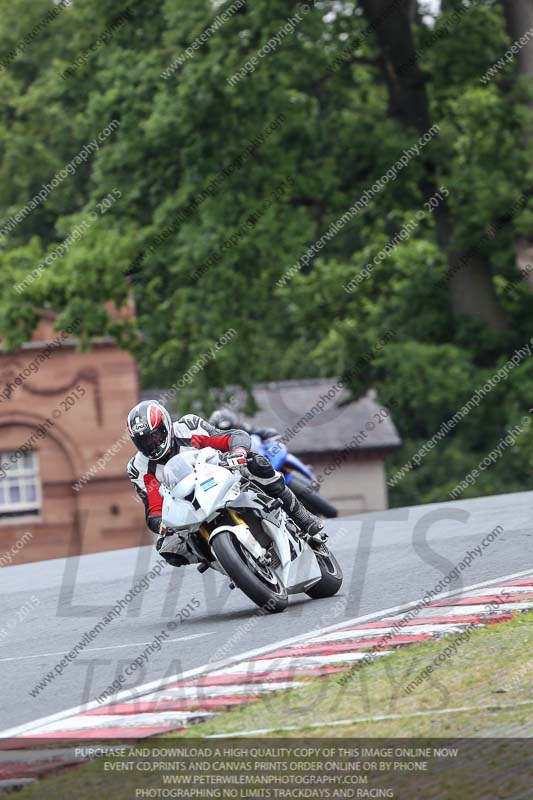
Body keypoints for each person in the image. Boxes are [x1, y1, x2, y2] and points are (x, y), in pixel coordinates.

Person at [126, 400, 324, 567]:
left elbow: (230, 437)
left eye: (155, 436)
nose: (152, 444)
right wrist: (161, 523)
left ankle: (303, 518)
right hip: (186, 505)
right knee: (167, 548)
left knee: (257, 463)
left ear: (165, 426)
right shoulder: (138, 467)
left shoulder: (188, 427)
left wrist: (237, 452)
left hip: (220, 474)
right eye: (144, 442)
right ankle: (221, 559)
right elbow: (152, 507)